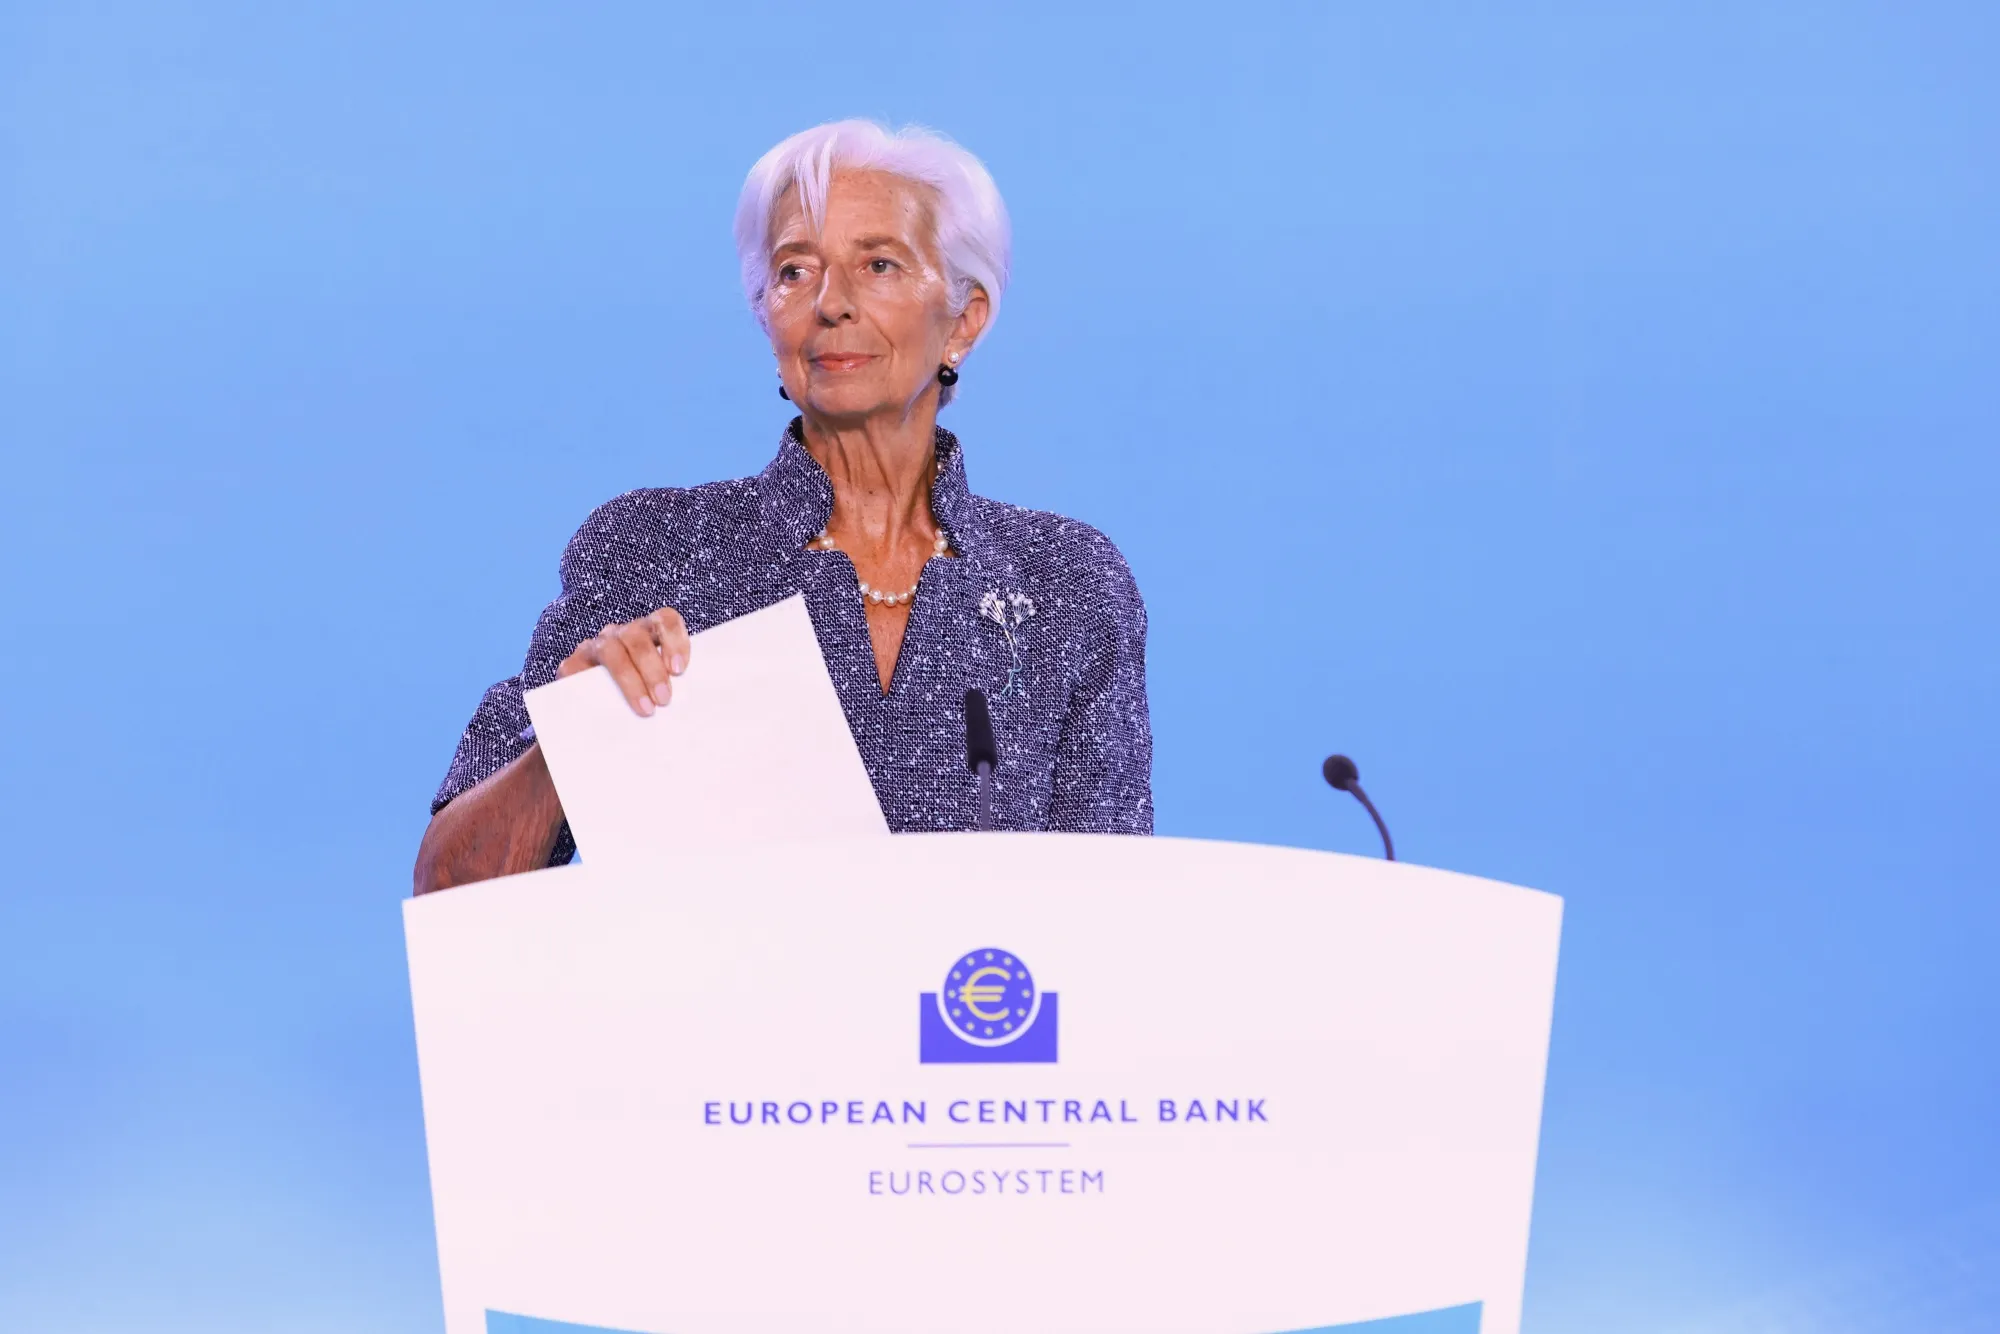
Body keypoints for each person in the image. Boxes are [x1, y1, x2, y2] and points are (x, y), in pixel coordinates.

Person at [413, 120, 1151, 895]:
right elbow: (448, 890)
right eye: (796, 271)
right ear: (766, 313)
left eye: (879, 264)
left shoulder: (1068, 583)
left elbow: (1116, 914)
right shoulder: (652, 549)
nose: (832, 304)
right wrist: (573, 737)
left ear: (964, 318)